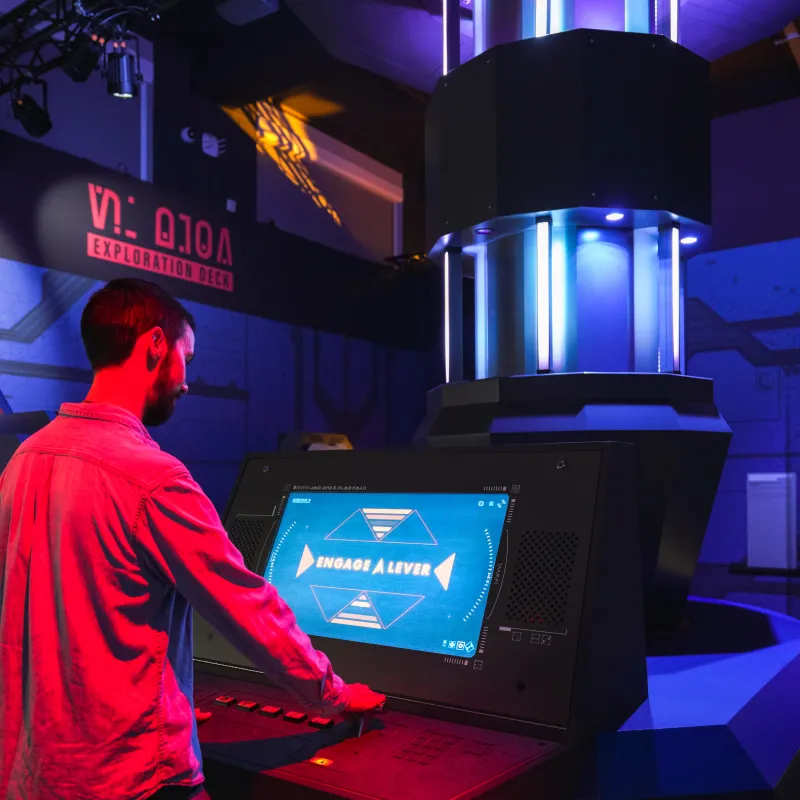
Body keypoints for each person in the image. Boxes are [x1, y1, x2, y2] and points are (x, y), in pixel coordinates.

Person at [0, 278, 384, 800]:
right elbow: (247, 608)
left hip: (33, 774)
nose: (187, 381)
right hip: (133, 778)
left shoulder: (25, 461)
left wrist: (166, 693)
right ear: (156, 346)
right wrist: (332, 695)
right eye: (187, 356)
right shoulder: (153, 478)